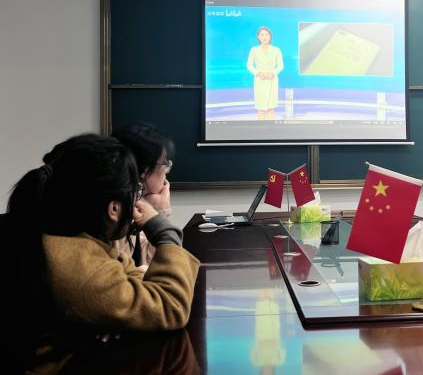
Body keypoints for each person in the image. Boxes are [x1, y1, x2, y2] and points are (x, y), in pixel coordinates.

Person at [4, 134, 199, 370]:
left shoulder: (65, 233)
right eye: (136, 191)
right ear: (114, 208)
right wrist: (162, 229)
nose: (138, 200)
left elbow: (133, 281)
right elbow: (171, 306)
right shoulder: (80, 263)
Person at [112, 123, 174, 268]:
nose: (166, 171)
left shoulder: (133, 201)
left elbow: (145, 258)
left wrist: (156, 214)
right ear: (144, 172)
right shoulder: (116, 210)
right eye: (164, 164)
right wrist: (161, 214)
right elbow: (162, 265)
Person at [246, 26, 284, 120]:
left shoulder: (276, 50)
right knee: (261, 109)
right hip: (260, 81)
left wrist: (273, 73)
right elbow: (249, 65)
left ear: (270, 37)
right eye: (262, 35)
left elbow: (280, 66)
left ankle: (271, 128)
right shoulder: (254, 50)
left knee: (271, 109)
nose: (264, 37)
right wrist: (258, 73)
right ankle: (261, 129)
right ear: (258, 37)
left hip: (272, 81)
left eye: (266, 35)